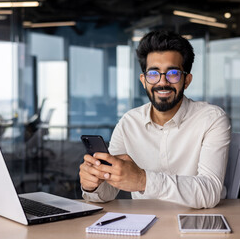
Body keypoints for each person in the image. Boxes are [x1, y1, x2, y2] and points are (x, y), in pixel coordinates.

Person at [79, 30, 231, 209]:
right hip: (144, 223)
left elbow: (209, 191)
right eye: (153, 74)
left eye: (173, 73)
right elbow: (108, 192)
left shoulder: (211, 119)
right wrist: (92, 185)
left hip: (199, 220)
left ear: (187, 80)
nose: (162, 82)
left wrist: (142, 180)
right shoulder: (129, 123)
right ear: (143, 80)